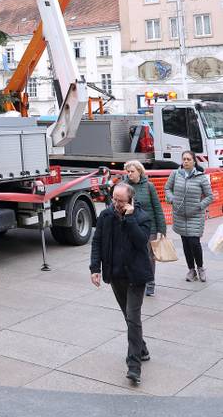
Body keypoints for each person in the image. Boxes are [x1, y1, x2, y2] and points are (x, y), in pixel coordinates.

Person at [90, 181, 152, 385]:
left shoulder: (142, 217)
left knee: (133, 317)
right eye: (114, 199)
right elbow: (97, 241)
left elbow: (141, 241)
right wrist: (95, 269)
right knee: (129, 317)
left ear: (130, 200)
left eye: (120, 201)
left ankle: (134, 366)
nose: (115, 203)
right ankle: (141, 347)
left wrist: (130, 218)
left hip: (136, 276)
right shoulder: (106, 216)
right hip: (115, 275)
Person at [165, 149, 213, 282]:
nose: (185, 161)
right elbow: (167, 188)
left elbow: (210, 196)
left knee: (194, 243)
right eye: (184, 159)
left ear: (193, 161)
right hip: (180, 215)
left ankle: (201, 268)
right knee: (185, 244)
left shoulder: (201, 177)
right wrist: (172, 199)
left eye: (188, 159)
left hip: (195, 215)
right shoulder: (175, 174)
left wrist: (200, 206)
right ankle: (191, 270)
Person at [124, 160, 167, 296]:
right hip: (131, 227)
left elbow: (157, 208)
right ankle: (135, 280)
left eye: (132, 171)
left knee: (149, 257)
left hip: (149, 228)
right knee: (132, 255)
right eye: (128, 172)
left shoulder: (149, 186)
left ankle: (150, 283)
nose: (130, 174)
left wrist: (162, 229)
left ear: (139, 172)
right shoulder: (124, 187)